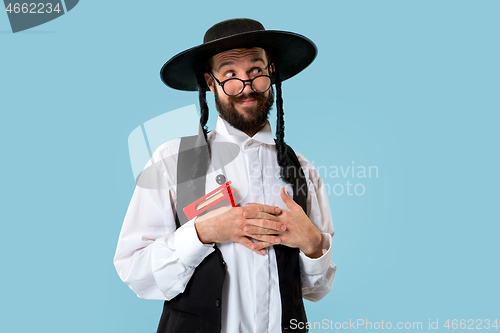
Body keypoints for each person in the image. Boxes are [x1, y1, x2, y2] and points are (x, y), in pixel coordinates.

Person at [114, 18, 336, 333]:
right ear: (210, 82)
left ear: (271, 73)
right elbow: (135, 271)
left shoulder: (303, 171)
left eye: (256, 71)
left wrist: (312, 243)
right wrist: (203, 232)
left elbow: (317, 289)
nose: (246, 86)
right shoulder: (172, 160)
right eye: (230, 74)